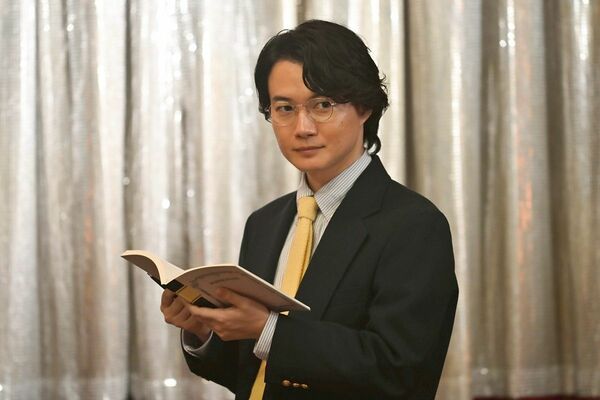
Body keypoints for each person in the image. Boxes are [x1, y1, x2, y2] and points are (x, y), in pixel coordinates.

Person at [160, 19, 458, 400]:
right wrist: (202, 328)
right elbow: (253, 374)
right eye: (284, 108)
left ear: (365, 106)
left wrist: (268, 329)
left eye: (322, 105)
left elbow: (401, 372)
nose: (302, 127)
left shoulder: (415, 225)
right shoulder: (264, 223)